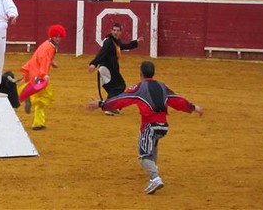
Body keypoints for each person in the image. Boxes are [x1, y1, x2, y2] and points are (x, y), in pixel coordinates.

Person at [86, 61, 204, 194]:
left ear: (140, 73)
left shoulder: (140, 87)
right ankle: (154, 171)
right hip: (163, 127)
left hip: (150, 125)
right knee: (152, 145)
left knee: (144, 155)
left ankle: (155, 178)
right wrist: (193, 108)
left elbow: (122, 99)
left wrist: (102, 104)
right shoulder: (162, 86)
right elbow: (177, 101)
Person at [88, 22, 144, 112]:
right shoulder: (109, 42)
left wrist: (135, 42)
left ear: (120, 32)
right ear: (111, 31)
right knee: (119, 86)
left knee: (116, 88)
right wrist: (94, 63)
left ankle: (112, 105)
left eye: (117, 30)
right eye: (114, 30)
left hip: (110, 68)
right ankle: (110, 107)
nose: (115, 32)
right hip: (107, 68)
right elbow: (102, 52)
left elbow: (123, 46)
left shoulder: (116, 41)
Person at [20, 24, 66, 130]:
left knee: (40, 96)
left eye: (59, 37)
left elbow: (44, 58)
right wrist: (44, 74)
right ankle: (30, 101)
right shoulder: (49, 47)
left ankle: (38, 123)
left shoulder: (48, 44)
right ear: (52, 36)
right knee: (45, 96)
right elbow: (44, 59)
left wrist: (52, 62)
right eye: (56, 36)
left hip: (33, 71)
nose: (58, 39)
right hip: (38, 74)